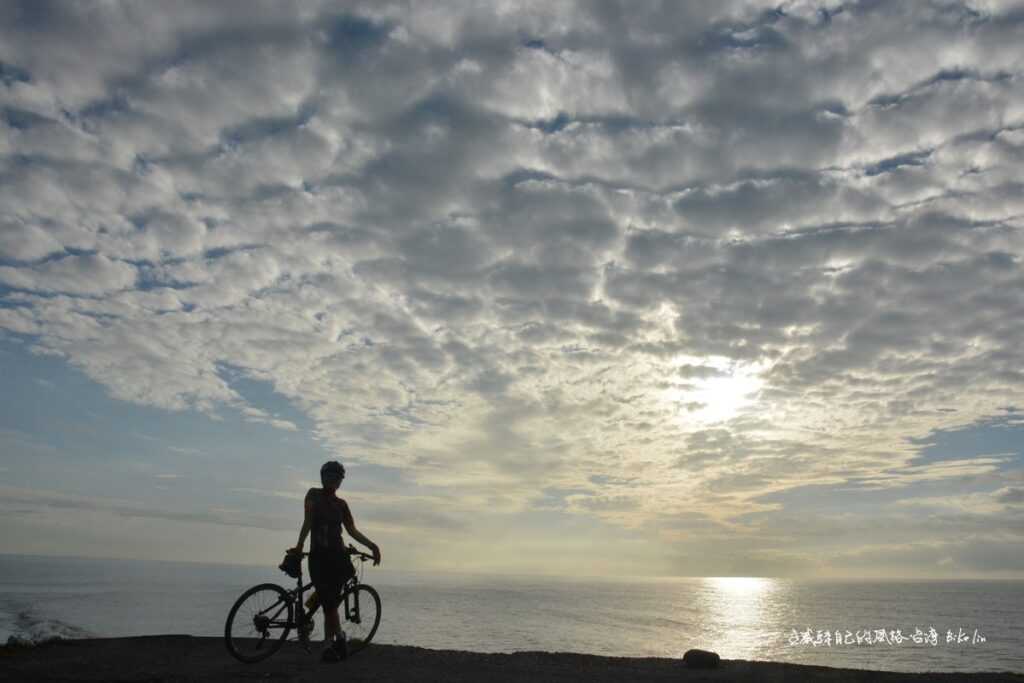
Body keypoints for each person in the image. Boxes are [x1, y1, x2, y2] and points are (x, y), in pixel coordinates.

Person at [289, 460, 381, 662]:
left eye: (336, 477)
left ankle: (333, 642)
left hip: (338, 558)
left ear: (340, 481)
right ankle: (333, 641)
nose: (332, 480)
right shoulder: (313, 495)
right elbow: (308, 522)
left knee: (330, 603)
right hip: (319, 557)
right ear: (322, 477)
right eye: (329, 476)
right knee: (330, 604)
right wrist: (299, 546)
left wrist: (372, 545)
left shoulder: (342, 505)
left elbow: (351, 530)